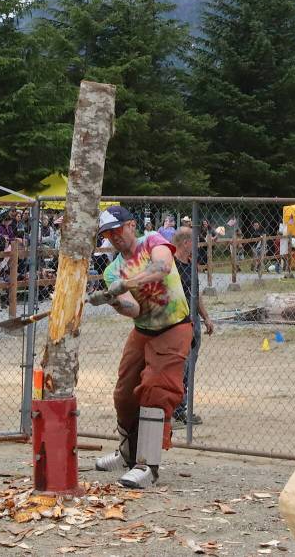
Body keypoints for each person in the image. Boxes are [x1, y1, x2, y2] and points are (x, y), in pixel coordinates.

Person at [92, 206, 191, 490]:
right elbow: (133, 309)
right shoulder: (112, 270)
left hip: (173, 327)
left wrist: (126, 283)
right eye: (107, 234)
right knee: (124, 393)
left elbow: (162, 268)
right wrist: (114, 301)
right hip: (143, 329)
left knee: (156, 390)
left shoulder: (154, 242)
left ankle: (148, 465)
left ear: (131, 225)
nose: (113, 237)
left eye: (116, 230)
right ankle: (126, 452)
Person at [170, 226, 215, 428]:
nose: (196, 245)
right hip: (178, 321)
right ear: (186, 243)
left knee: (190, 367)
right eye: (194, 242)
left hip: (194, 321)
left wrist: (206, 318)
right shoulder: (171, 266)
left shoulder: (191, 264)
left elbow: (196, 295)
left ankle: (182, 409)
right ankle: (176, 410)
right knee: (181, 365)